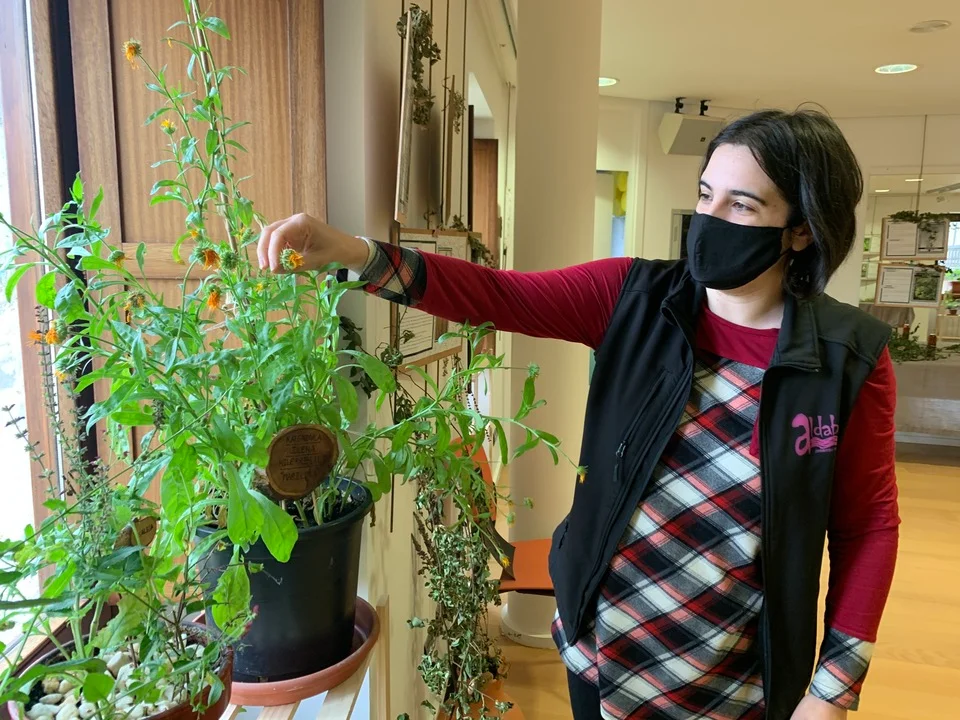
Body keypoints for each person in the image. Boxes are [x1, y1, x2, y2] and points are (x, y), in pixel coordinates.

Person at [258, 110, 899, 720]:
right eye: (706, 195)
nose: (709, 219)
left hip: (737, 679)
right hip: (601, 651)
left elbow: (867, 526)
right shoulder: (634, 299)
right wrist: (353, 252)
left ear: (801, 229)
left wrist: (833, 689)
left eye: (741, 205)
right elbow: (496, 294)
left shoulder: (850, 359)